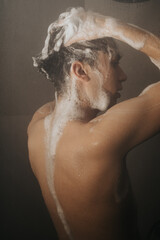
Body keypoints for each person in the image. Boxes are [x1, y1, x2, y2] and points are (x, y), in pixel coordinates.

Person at [27, 7, 160, 240]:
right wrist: (112, 26)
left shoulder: (36, 125)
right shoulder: (100, 138)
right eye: (114, 62)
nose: (123, 75)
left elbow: (64, 91)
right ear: (79, 70)